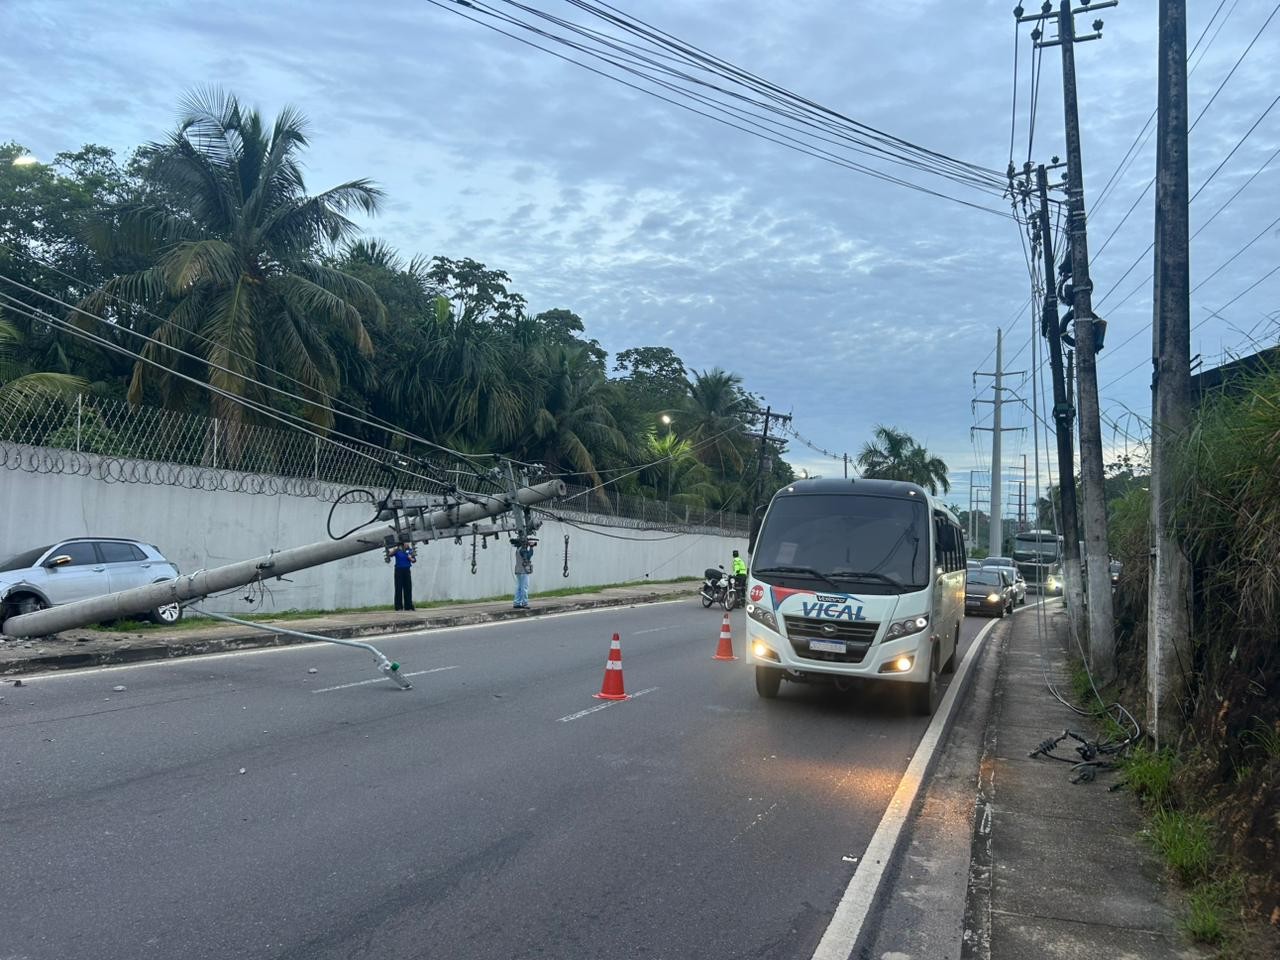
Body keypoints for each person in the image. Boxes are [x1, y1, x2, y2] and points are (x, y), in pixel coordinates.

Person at [391, 541, 416, 611]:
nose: (407, 544)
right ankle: (398, 607)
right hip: (398, 571)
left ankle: (408, 606)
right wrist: (395, 548)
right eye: (406, 543)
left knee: (408, 588)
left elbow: (414, 560)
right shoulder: (397, 550)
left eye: (408, 543)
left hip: (407, 570)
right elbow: (390, 554)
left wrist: (410, 558)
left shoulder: (410, 550)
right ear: (402, 544)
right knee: (398, 588)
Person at [513, 539, 535, 609]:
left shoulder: (518, 549)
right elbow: (528, 556)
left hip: (518, 571)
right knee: (524, 587)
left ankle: (517, 602)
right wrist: (531, 547)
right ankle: (524, 603)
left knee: (519, 587)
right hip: (523, 571)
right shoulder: (523, 550)